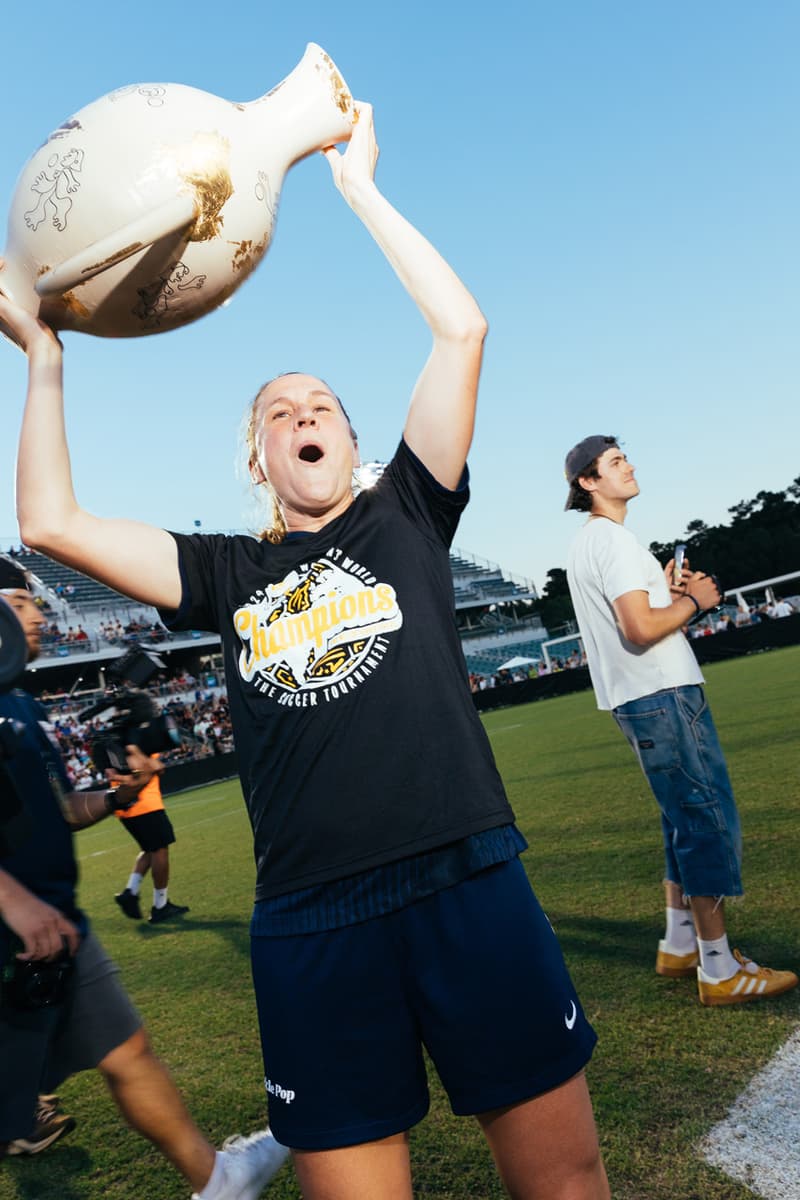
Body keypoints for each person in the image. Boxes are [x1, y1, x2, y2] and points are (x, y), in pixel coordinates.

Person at [2, 104, 609, 1200]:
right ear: (259, 455)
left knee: (562, 1185)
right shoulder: (226, 569)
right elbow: (50, 523)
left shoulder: (407, 516)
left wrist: (360, 190)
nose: (302, 414)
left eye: (320, 402)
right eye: (279, 412)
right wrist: (46, 358)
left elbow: (460, 331)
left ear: (352, 438)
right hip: (310, 922)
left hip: (463, 878)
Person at [0, 563, 289, 1195]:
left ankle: (217, 1181)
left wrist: (113, 797)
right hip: (19, 928)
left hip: (56, 928)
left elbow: (54, 812)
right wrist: (10, 898)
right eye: (24, 601)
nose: (40, 615)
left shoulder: (18, 699)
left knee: (128, 1052)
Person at [563, 435, 798, 1008]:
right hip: (661, 693)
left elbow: (637, 616)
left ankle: (680, 941)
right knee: (704, 818)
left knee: (681, 818)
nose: (629, 466)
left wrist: (666, 596)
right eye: (616, 462)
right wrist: (697, 601)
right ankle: (718, 968)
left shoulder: (590, 542)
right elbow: (639, 629)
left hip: (642, 695)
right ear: (589, 482)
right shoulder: (612, 541)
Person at [113, 755, 190, 924]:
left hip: (127, 806)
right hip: (144, 804)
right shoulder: (132, 741)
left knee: (149, 849)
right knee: (160, 849)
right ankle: (160, 906)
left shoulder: (115, 742)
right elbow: (156, 767)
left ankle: (130, 892)